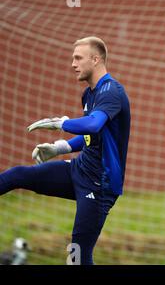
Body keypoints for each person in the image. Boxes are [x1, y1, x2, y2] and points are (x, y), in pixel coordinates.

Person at [0, 36, 131, 265]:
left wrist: (61, 123)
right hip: (78, 170)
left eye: (78, 58)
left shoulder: (112, 91)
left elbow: (93, 125)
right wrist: (61, 147)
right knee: (17, 175)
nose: (73, 63)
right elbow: (93, 136)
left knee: (78, 256)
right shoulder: (88, 93)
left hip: (100, 184)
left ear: (96, 59)